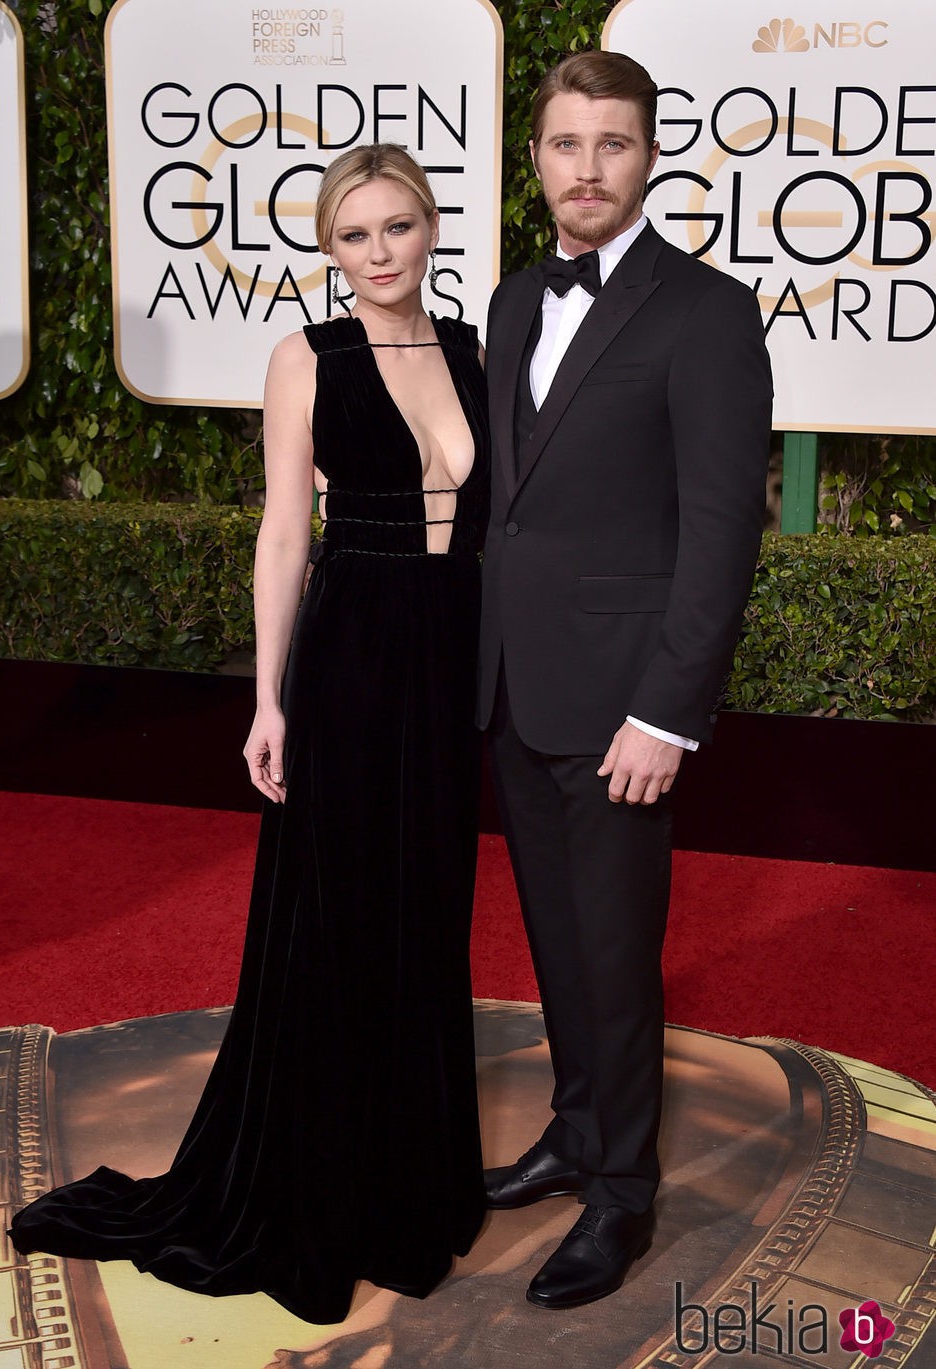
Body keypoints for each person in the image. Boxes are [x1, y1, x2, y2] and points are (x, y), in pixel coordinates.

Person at [9, 143, 489, 1326]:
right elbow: (284, 536)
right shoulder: (305, 358)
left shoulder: (475, 349)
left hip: (450, 654)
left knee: (426, 911)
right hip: (352, 654)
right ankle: (317, 1189)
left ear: (431, 227)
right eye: (352, 236)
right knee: (333, 920)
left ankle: (408, 1185)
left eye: (396, 228)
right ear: (331, 252)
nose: (378, 254)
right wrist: (267, 698)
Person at [478, 52, 773, 1310]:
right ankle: (576, 1129)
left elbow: (719, 530)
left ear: (646, 155)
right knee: (554, 937)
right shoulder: (507, 301)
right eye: (562, 144)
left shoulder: (704, 311)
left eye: (609, 144)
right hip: (513, 686)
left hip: (623, 706)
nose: (584, 169)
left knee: (615, 946)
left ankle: (622, 1195)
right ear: (534, 157)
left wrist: (667, 710)